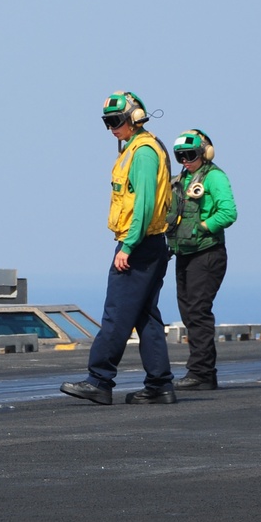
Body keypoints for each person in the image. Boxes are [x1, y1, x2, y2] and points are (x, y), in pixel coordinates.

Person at [61, 91, 176, 405]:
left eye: (116, 121)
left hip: (138, 246)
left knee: (115, 315)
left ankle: (99, 380)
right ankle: (160, 385)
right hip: (150, 246)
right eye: (106, 122)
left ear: (134, 118)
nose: (111, 127)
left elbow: (144, 205)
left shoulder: (142, 152)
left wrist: (127, 246)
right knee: (146, 318)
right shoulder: (137, 149)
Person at [166, 129, 237, 390]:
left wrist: (202, 228)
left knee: (197, 312)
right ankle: (203, 373)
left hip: (207, 253)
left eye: (191, 154)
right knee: (188, 312)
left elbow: (229, 212)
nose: (185, 160)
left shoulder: (215, 177)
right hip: (185, 253)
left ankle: (202, 373)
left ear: (205, 153)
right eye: (180, 156)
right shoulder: (182, 179)